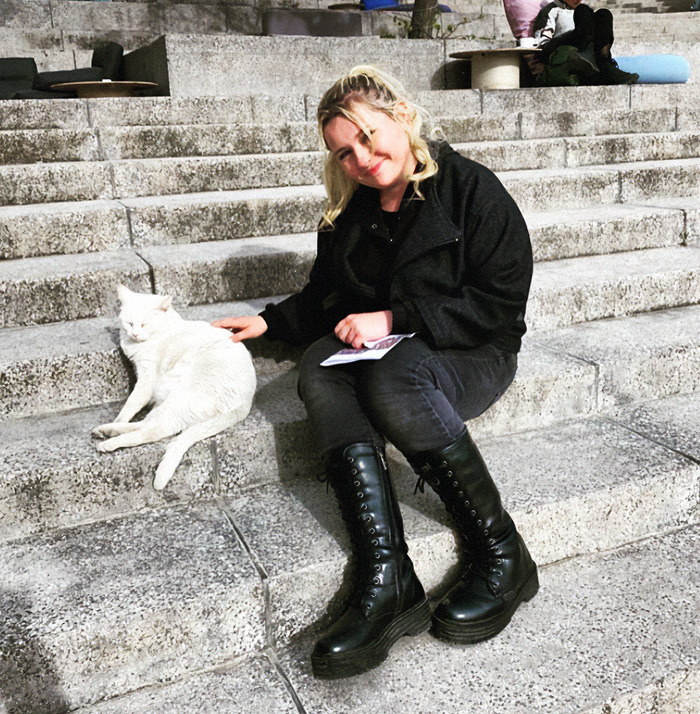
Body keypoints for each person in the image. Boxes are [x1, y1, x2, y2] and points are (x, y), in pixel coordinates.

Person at [213, 65, 538, 679]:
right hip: (395, 354)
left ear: (403, 117)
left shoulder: (471, 190)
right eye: (344, 151)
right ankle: (387, 576)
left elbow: (499, 306)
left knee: (392, 375)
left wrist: (392, 316)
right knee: (319, 364)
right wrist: (268, 324)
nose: (360, 158)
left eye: (367, 136)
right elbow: (325, 299)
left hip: (473, 353)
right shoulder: (348, 216)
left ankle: (503, 552)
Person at [530, 0, 639, 85]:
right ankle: (585, 56)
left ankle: (603, 60)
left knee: (603, 14)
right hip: (564, 50)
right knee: (582, 11)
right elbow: (543, 45)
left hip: (589, 48)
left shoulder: (585, 12)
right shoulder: (551, 11)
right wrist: (572, 36)